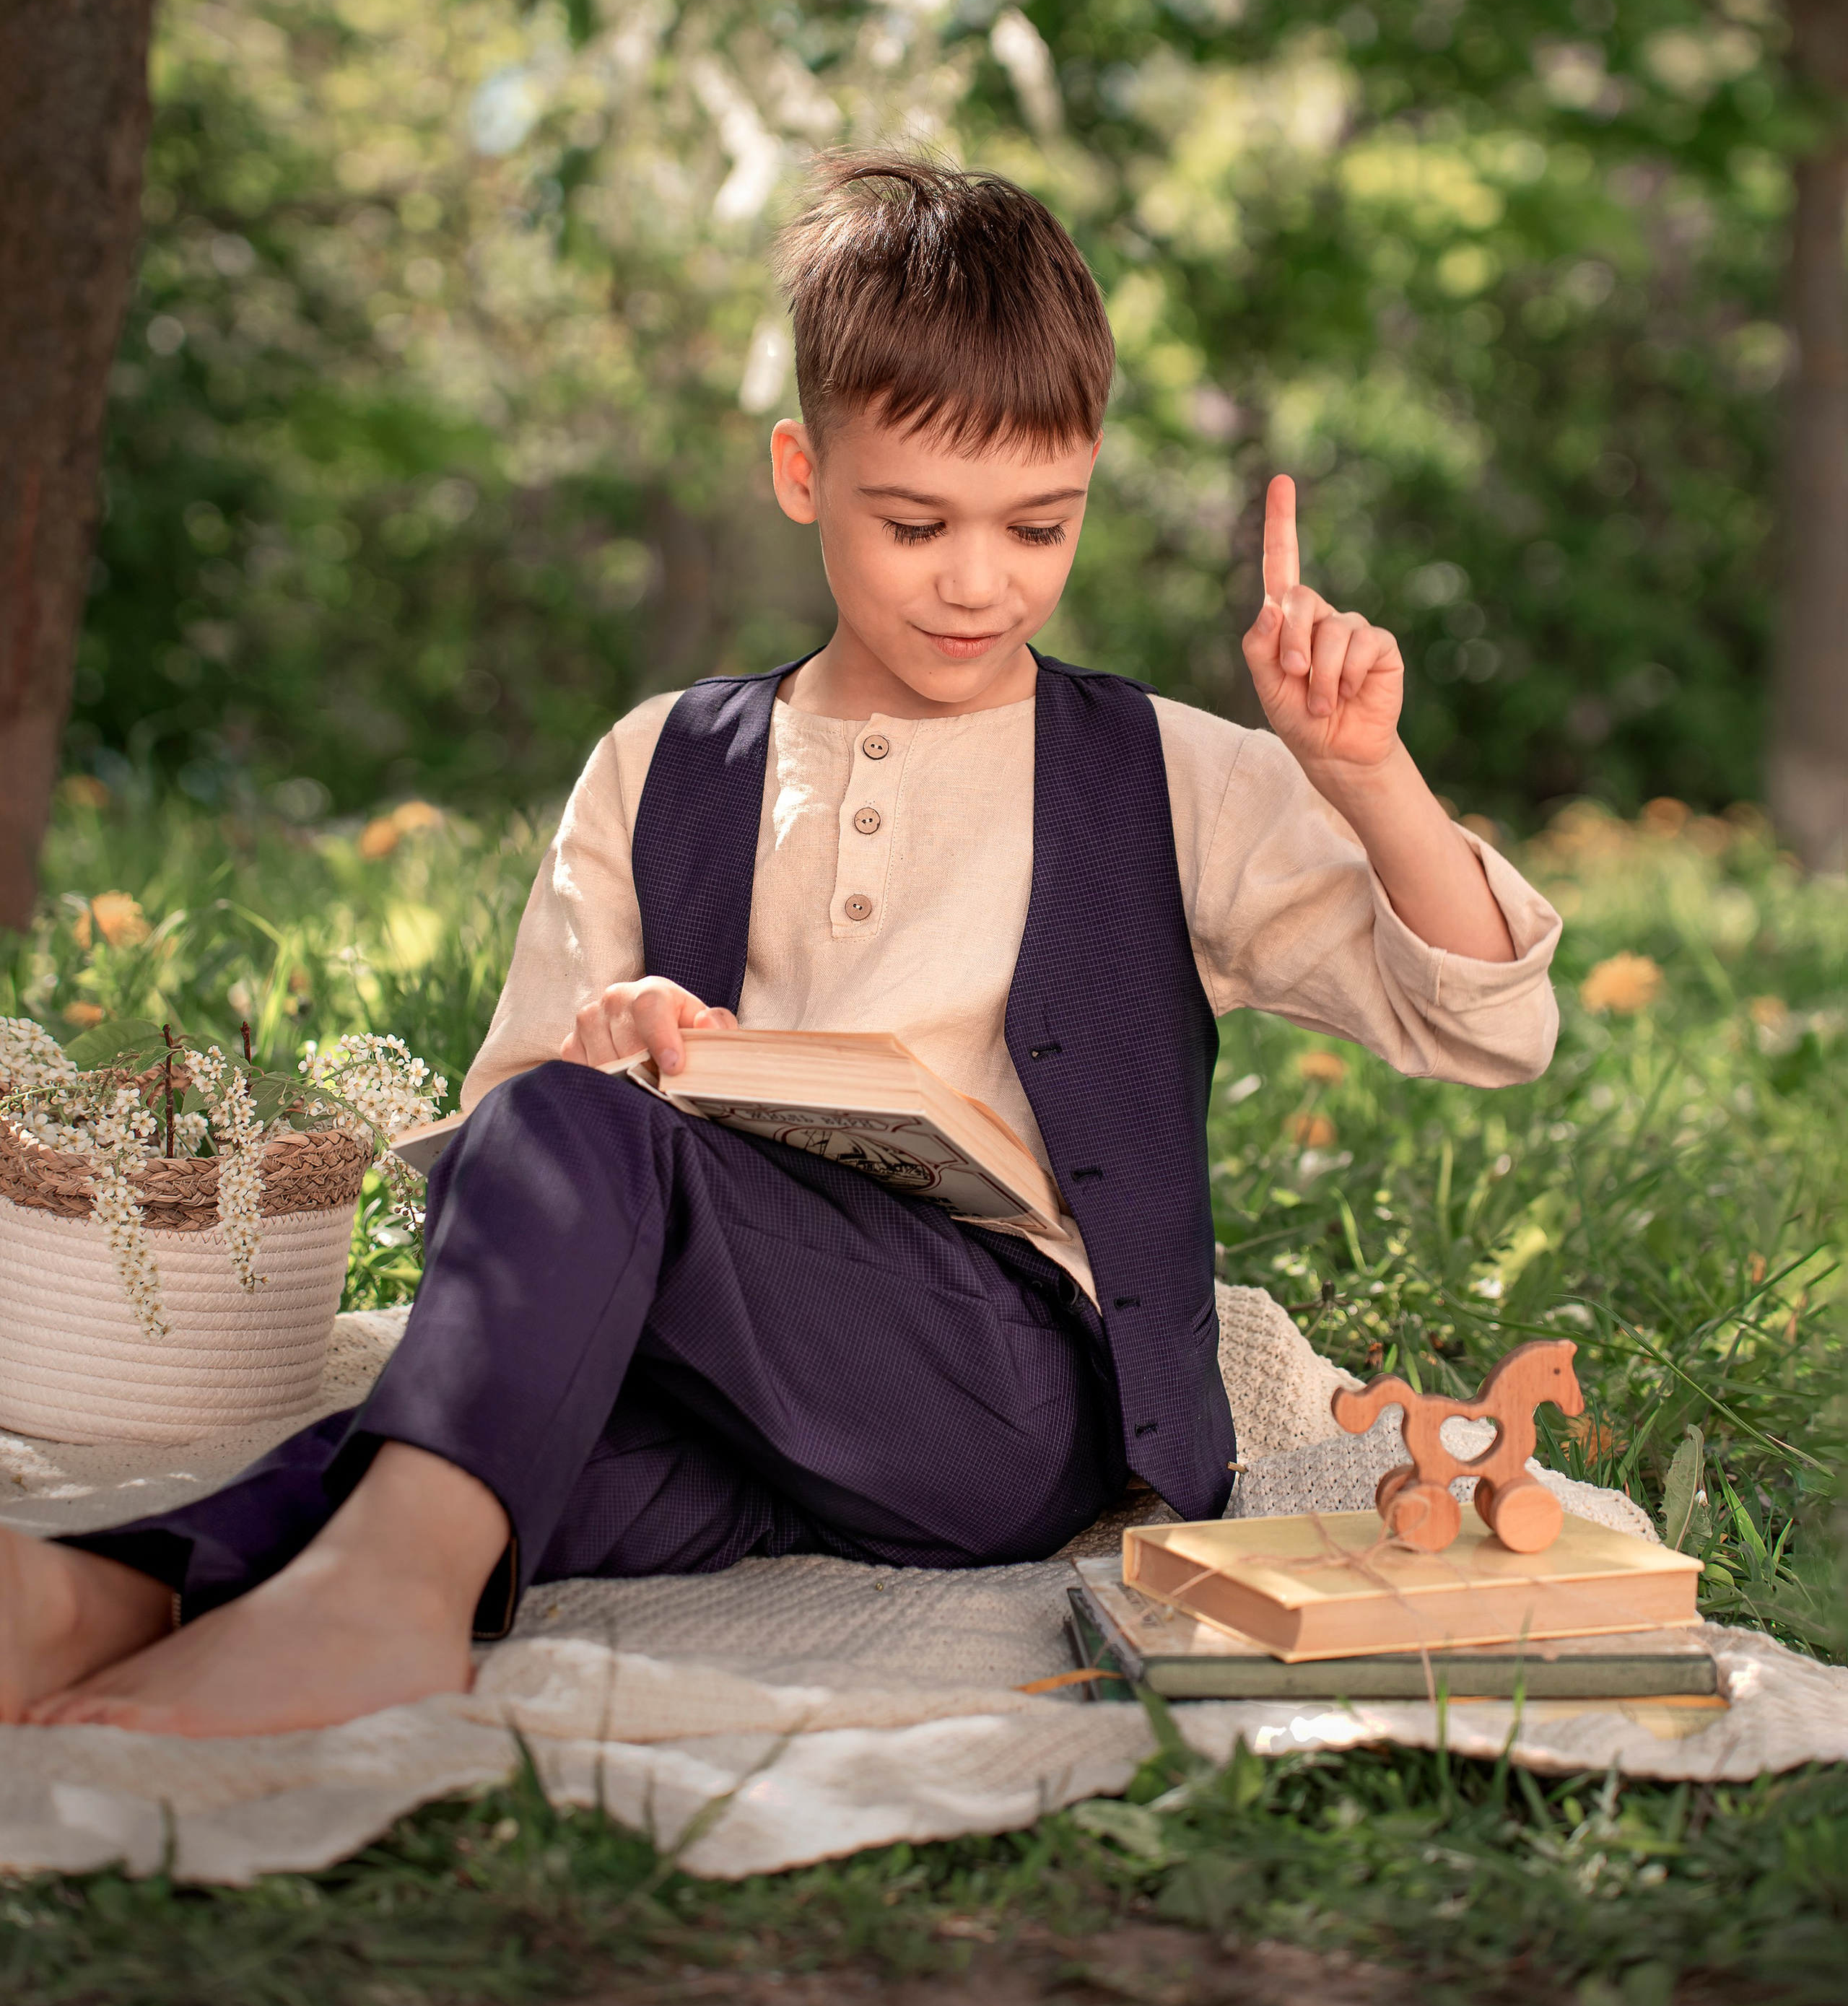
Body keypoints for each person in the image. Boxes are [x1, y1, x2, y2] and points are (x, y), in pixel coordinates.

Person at [0, 154, 1560, 1737]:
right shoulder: (660, 758)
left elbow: (1487, 1024)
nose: (977, 579)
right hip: (728, 1389)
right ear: (801, 471)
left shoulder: (1165, 770)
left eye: (1038, 524)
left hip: (999, 1397)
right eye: (913, 520)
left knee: (535, 1267)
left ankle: (383, 1610)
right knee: (484, 1432)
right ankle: (108, 1591)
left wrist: (1363, 771)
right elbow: (506, 1147)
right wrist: (613, 1051)